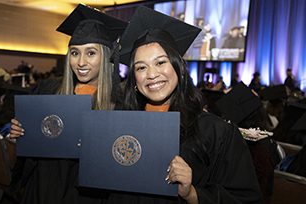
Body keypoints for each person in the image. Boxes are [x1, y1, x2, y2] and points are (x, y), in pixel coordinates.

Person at [107, 5, 263, 203]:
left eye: (161, 62)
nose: (152, 74)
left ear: (180, 68)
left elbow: (246, 199)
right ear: (134, 78)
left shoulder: (215, 133)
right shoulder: (118, 127)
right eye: (141, 67)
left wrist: (193, 194)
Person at [8, 4, 127, 204]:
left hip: (86, 196)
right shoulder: (49, 91)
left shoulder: (119, 106)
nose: (81, 62)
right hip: (42, 188)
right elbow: (32, 150)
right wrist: (19, 136)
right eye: (74, 53)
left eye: (91, 53)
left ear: (106, 57)